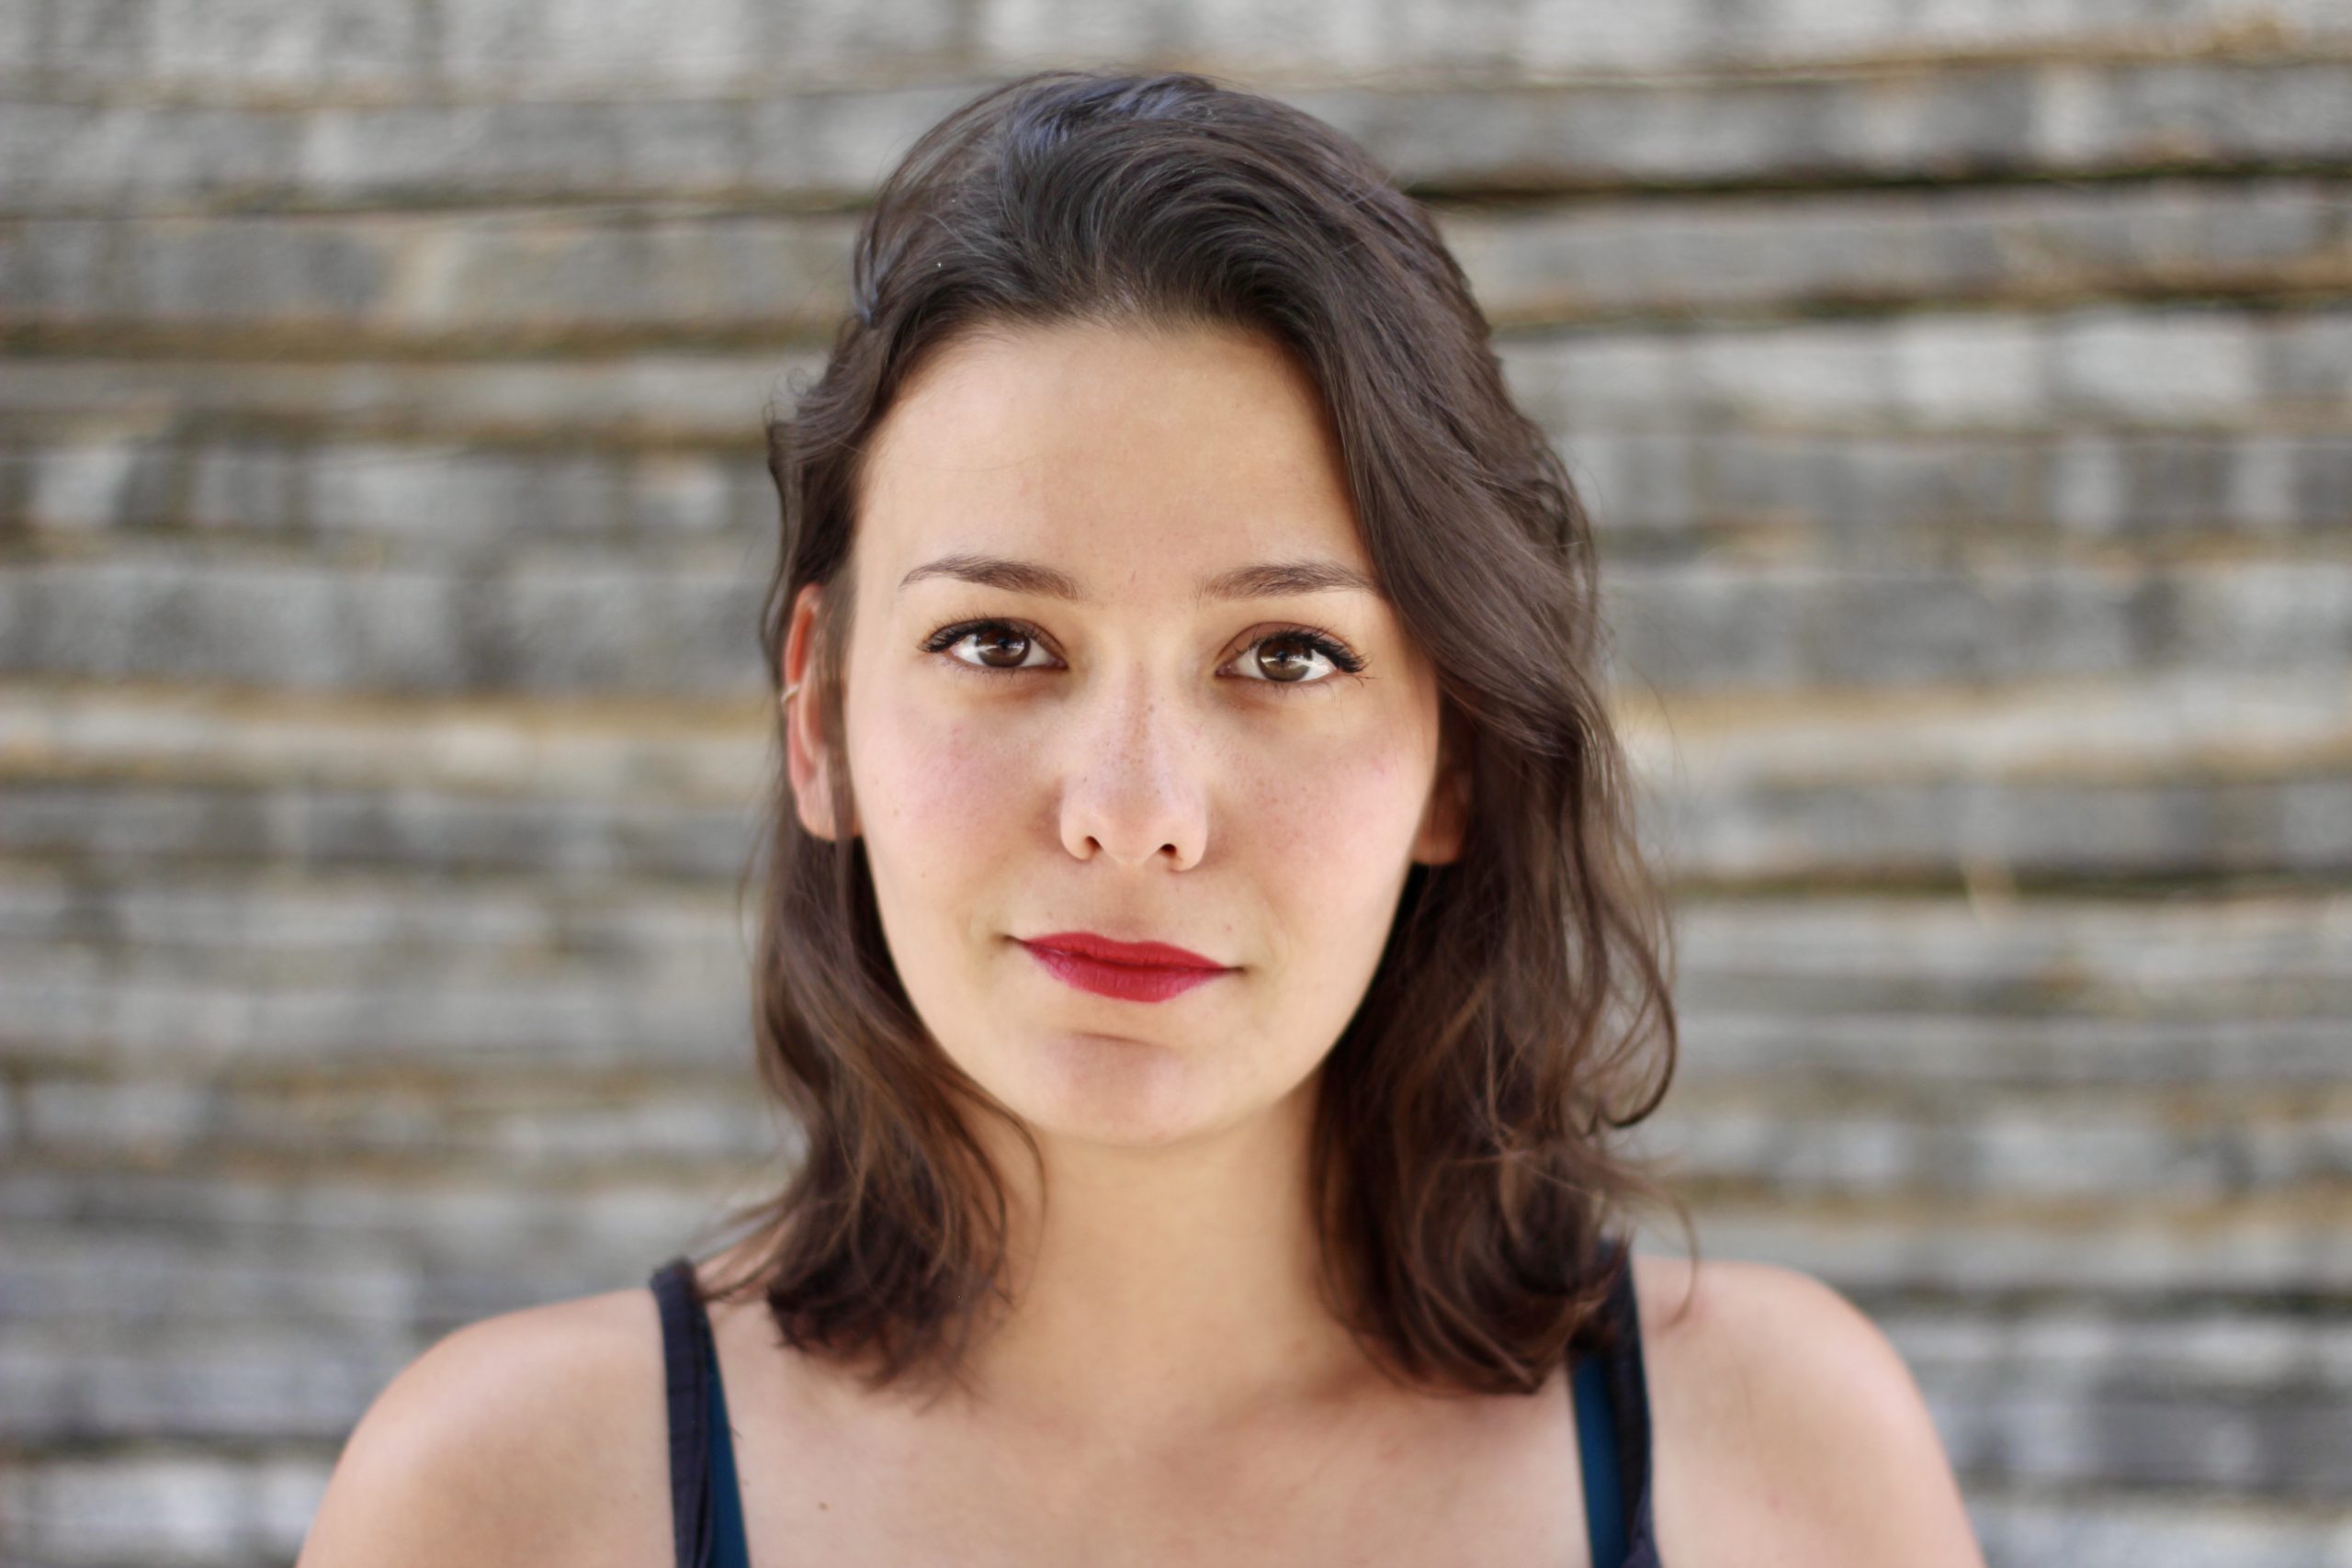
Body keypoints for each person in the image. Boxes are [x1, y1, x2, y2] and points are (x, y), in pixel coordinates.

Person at [297, 69, 1985, 1568]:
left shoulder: (1776, 1472)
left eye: (1286, 654)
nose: (1133, 813)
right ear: (818, 716)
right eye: (999, 642)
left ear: (1457, 756)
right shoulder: (506, 1508)